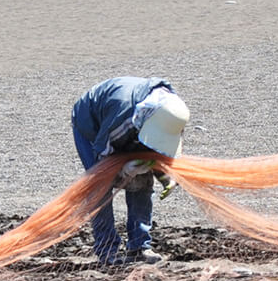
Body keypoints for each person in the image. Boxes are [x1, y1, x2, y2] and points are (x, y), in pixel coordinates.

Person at [70, 77, 189, 266]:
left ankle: (139, 247)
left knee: (142, 181)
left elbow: (160, 147)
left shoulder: (171, 112)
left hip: (129, 119)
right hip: (92, 124)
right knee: (100, 187)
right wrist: (123, 171)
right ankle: (107, 250)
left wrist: (165, 174)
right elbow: (103, 154)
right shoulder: (122, 119)